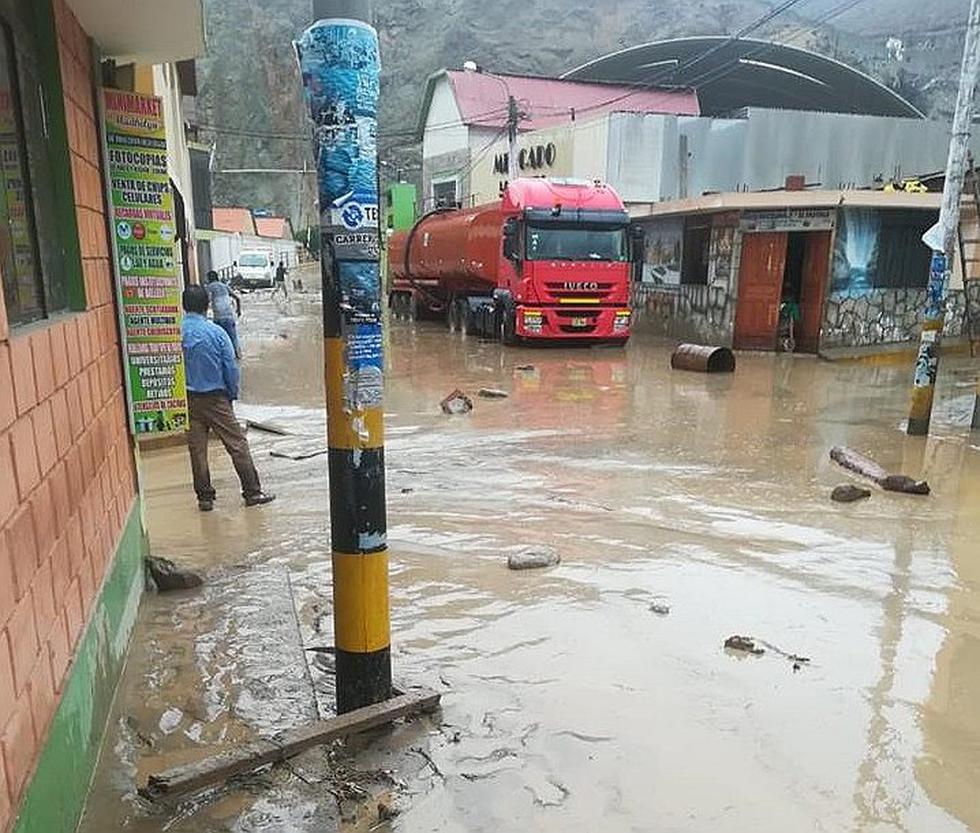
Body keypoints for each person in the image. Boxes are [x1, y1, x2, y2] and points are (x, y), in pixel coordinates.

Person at [181, 284, 275, 512]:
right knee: (237, 444)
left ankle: (205, 498)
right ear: (208, 305)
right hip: (216, 399)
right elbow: (230, 368)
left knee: (197, 450)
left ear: (184, 306)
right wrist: (232, 395)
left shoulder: (176, 332)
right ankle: (252, 492)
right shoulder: (217, 333)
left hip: (186, 400)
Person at [205, 270, 242, 358]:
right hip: (229, 315)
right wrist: (238, 310)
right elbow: (237, 298)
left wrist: (204, 315)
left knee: (220, 338)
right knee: (233, 337)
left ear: (209, 278)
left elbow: (208, 300)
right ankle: (237, 354)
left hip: (218, 317)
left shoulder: (210, 287)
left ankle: (223, 355)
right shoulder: (225, 286)